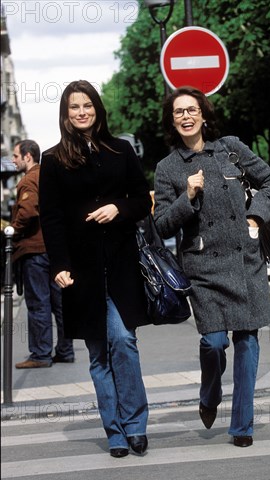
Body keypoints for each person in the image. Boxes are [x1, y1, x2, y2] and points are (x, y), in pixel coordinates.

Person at [153, 86, 270, 448]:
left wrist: (256, 217)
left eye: (191, 110)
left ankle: (242, 426)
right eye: (178, 112)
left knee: (247, 341)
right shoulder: (167, 169)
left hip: (245, 262)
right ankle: (209, 395)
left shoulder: (230, 148)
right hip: (204, 268)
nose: (185, 116)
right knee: (212, 343)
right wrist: (188, 196)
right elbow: (162, 224)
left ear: (203, 115)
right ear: (172, 120)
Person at [39, 80, 152, 458]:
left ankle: (135, 424)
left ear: (97, 109)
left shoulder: (121, 149)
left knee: (124, 340)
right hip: (80, 271)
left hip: (121, 264)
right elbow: (51, 218)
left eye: (87, 105)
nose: (82, 112)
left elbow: (141, 199)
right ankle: (115, 432)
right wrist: (59, 265)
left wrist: (118, 208)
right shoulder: (52, 159)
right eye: (74, 107)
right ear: (65, 114)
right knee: (98, 353)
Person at [11, 139, 74, 369]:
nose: (13, 160)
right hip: (53, 248)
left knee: (38, 304)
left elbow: (28, 210)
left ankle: (40, 354)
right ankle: (65, 350)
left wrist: (13, 231)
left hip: (35, 250)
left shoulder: (29, 180)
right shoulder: (49, 175)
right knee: (59, 302)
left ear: (28, 156)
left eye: (16, 156)